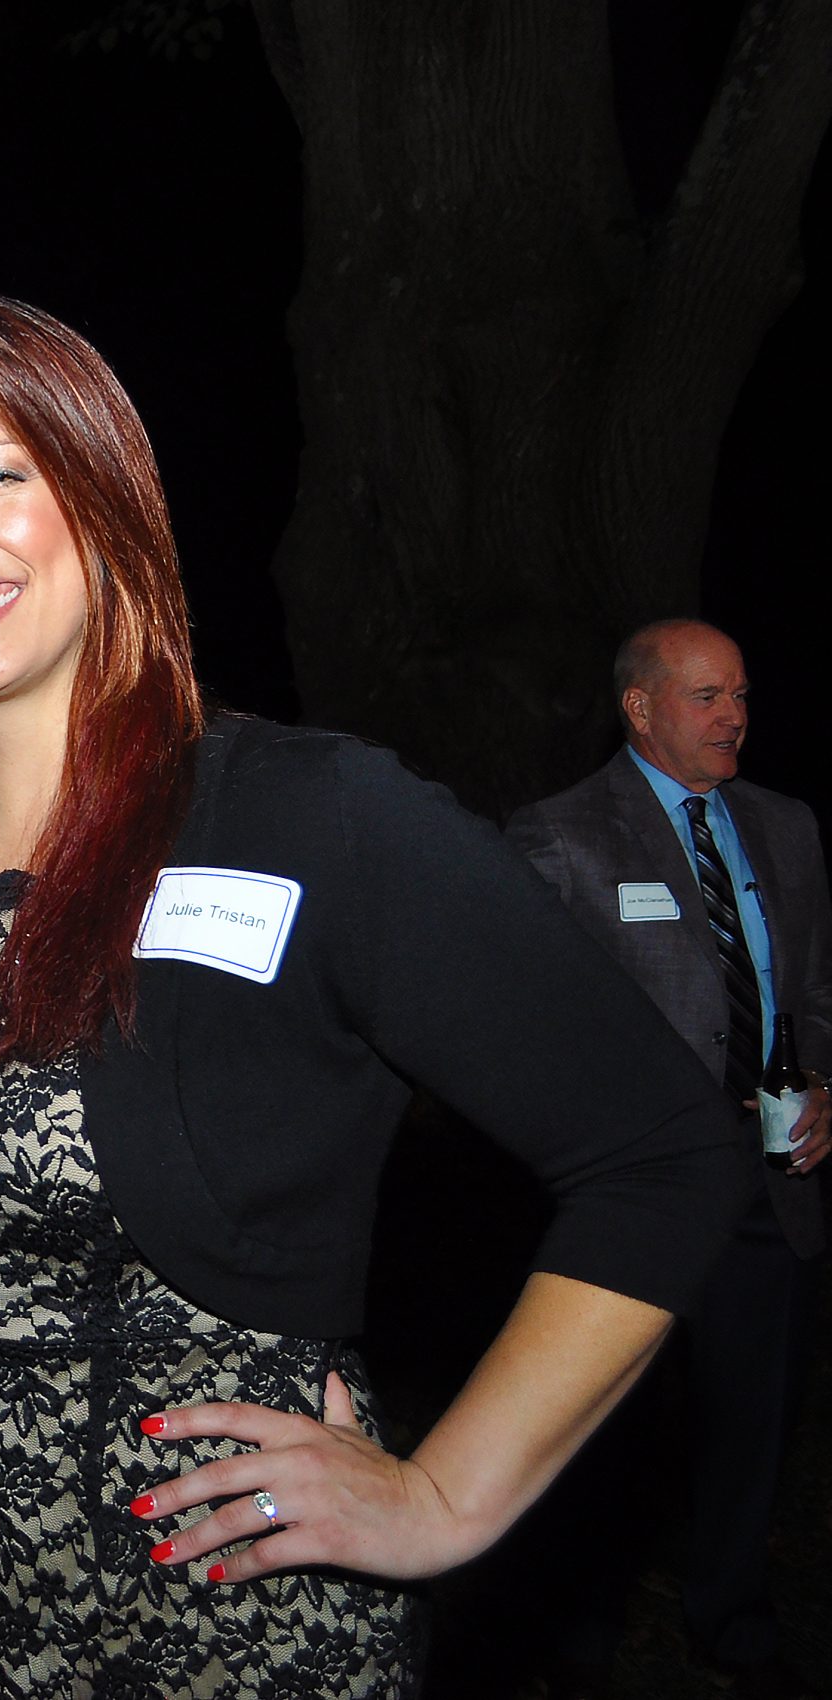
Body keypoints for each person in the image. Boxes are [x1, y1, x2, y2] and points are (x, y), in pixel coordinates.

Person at [0, 291, 747, 1698]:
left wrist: (445, 1495)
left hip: (204, 1641)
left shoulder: (305, 815)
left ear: (101, 494)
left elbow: (662, 1155)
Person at [503, 618, 828, 1700]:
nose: (734, 716)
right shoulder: (559, 835)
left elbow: (813, 990)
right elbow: (522, 1024)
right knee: (606, 1422)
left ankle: (731, 1621)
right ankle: (577, 1636)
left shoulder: (785, 826)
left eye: (741, 695)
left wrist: (823, 1081)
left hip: (769, 1178)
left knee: (753, 1416)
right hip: (631, 1188)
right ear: (639, 707)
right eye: (706, 696)